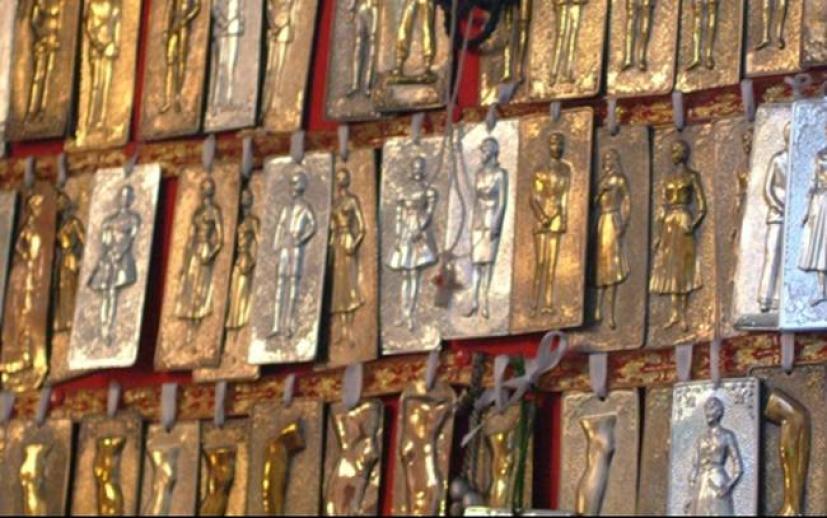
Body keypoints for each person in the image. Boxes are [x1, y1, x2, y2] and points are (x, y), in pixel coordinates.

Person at [650, 140, 706, 331]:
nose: (673, 153)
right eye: (672, 150)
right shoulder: (667, 178)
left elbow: (702, 205)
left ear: (684, 153)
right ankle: (673, 313)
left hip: (683, 220)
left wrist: (693, 224)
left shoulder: (692, 176)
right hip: (668, 223)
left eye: (677, 150)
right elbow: (661, 206)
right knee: (670, 267)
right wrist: (658, 234)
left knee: (683, 267)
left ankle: (683, 314)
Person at [387, 156, 439, 331]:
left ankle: (411, 312)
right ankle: (403, 313)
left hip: (418, 231)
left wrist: (420, 226)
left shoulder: (429, 191)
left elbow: (429, 213)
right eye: (415, 168)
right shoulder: (404, 191)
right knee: (405, 274)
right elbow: (399, 214)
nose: (417, 171)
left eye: (420, 168)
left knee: (414, 273)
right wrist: (398, 235)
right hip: (405, 232)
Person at [88, 185, 140, 344]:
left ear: (131, 199)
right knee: (106, 294)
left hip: (122, 260)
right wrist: (105, 257)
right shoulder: (108, 221)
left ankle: (109, 328)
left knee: (113, 294)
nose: (124, 199)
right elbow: (104, 243)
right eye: (122, 196)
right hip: (108, 259)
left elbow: (131, 239)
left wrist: (119, 253)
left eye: (128, 196)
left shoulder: (133, 219)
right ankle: (104, 328)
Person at [175, 178, 223, 336]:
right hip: (194, 251)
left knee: (201, 288)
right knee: (190, 286)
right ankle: (189, 327)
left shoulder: (214, 211)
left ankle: (198, 327)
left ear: (212, 191)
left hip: (205, 249)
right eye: (203, 188)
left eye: (208, 188)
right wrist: (185, 262)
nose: (205, 191)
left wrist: (210, 254)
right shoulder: (197, 211)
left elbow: (220, 239)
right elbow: (190, 237)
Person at [271, 172, 316, 338]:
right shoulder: (286, 208)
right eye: (291, 184)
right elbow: (280, 226)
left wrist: (301, 239)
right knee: (280, 283)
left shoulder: (305, 207)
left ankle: (289, 326)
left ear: (301, 186)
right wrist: (276, 246)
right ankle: (276, 325)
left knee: (293, 283)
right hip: (285, 245)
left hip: (296, 246)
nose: (292, 187)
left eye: (295, 184)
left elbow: (313, 226)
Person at [467, 137, 508, 319]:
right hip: (478, 221)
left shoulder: (501, 174)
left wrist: (496, 224)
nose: (482, 154)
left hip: (492, 219)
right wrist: (473, 222)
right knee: (476, 262)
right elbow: (475, 200)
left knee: (488, 263)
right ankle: (473, 301)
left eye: (484, 150)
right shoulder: (478, 173)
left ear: (492, 151)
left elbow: (502, 202)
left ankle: (485, 300)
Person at [531, 133, 571, 315]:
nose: (557, 147)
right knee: (540, 261)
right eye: (554, 144)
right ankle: (534, 302)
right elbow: (533, 198)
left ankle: (548, 302)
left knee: (552, 263)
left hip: (557, 217)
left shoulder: (566, 169)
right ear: (548, 146)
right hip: (541, 216)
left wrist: (563, 219)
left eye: (560, 144)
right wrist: (542, 217)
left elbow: (565, 197)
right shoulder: (540, 169)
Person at [685, 397, 743, 516]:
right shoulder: (701, 439)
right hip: (701, 484)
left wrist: (727, 487)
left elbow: (738, 467)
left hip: (718, 482)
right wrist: (690, 495)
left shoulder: (727, 436)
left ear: (719, 412)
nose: (708, 412)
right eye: (706, 408)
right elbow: (695, 467)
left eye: (711, 408)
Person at [593, 149, 631, 329]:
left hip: (613, 220)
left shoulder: (619, 179)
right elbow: (593, 203)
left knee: (612, 267)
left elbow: (627, 200)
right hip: (602, 221)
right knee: (599, 266)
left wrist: (624, 222)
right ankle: (597, 308)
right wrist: (599, 192)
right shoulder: (601, 182)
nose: (607, 161)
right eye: (605, 159)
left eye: (610, 159)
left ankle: (611, 313)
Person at [329, 168, 366, 342]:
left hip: (348, 241)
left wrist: (355, 244)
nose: (340, 181)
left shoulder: (352, 200)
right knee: (338, 288)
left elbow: (362, 227)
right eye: (338, 178)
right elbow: (331, 228)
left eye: (342, 178)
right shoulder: (334, 203)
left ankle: (351, 329)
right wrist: (330, 247)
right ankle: (342, 330)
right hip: (337, 243)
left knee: (350, 284)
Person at [758, 124, 787, 312]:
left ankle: (784, 297)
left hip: (797, 215)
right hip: (778, 214)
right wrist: (778, 205)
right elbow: (767, 189)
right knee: (772, 255)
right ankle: (765, 298)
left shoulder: (804, 159)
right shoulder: (777, 159)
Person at [798, 147, 827, 305]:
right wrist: (806, 210)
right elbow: (812, 184)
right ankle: (821, 290)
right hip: (821, 203)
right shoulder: (819, 156)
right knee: (821, 246)